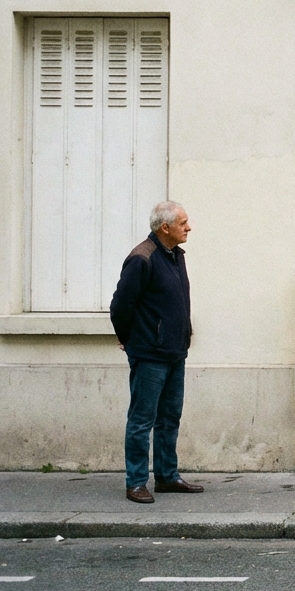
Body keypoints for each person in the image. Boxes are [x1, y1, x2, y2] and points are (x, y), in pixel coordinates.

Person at [110, 201, 203, 504]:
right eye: (183, 223)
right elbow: (120, 306)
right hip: (150, 353)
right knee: (142, 419)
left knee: (169, 418)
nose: (188, 228)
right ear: (165, 227)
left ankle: (167, 476)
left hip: (175, 351)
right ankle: (136, 482)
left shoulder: (175, 255)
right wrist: (129, 340)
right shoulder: (142, 258)